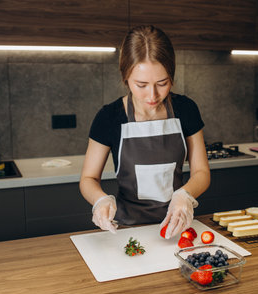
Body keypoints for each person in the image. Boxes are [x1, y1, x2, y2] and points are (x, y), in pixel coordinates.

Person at [80, 25, 210, 239]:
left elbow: (202, 173)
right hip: (127, 230)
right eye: (141, 85)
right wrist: (100, 200)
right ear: (125, 77)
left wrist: (185, 195)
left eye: (162, 83)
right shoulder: (109, 117)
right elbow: (88, 178)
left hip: (178, 226)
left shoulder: (186, 109)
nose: (153, 95)